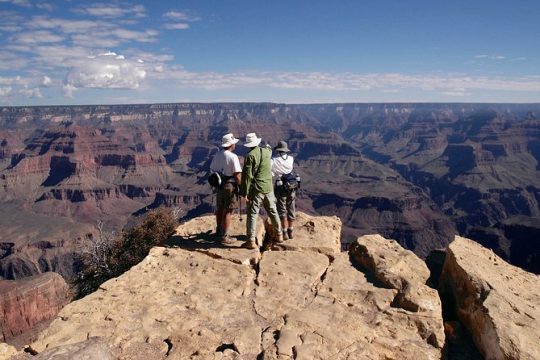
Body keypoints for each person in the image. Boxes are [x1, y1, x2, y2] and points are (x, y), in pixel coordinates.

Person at [239, 133, 283, 249]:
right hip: (268, 187)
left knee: (253, 214)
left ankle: (251, 241)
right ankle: (279, 234)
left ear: (248, 145)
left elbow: (247, 176)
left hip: (257, 189)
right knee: (273, 210)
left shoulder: (250, 156)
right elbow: (269, 148)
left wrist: (244, 192)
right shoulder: (267, 152)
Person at [209, 133, 242, 245]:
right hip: (229, 186)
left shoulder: (217, 155)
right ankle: (225, 236)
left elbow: (212, 170)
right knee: (228, 210)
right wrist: (241, 186)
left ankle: (219, 230)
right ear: (231, 144)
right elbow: (237, 175)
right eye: (234, 143)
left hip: (219, 185)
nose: (235, 145)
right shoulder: (233, 157)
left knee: (220, 208)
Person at [271, 140, 296, 240]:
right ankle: (291, 231)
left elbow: (272, 172)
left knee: (282, 209)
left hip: (280, 186)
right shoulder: (291, 158)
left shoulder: (273, 159)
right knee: (291, 207)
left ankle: (284, 232)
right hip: (291, 185)